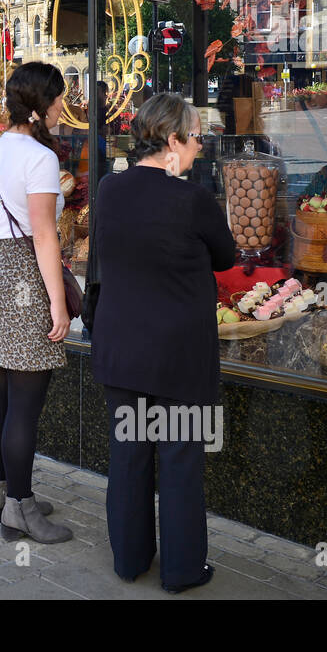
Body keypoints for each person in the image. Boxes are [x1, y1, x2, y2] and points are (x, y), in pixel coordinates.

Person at [90, 93, 236, 592]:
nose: (200, 148)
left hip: (123, 348)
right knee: (179, 462)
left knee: (129, 457)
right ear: (172, 141)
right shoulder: (192, 199)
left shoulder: (110, 189)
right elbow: (225, 256)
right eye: (195, 138)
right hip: (179, 355)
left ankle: (129, 561)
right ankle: (181, 570)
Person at [0, 61, 73, 545]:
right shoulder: (40, 157)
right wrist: (58, 303)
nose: (61, 106)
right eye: (57, 99)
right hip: (23, 280)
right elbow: (45, 236)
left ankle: (3, 491)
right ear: (39, 106)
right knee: (24, 407)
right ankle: (21, 507)